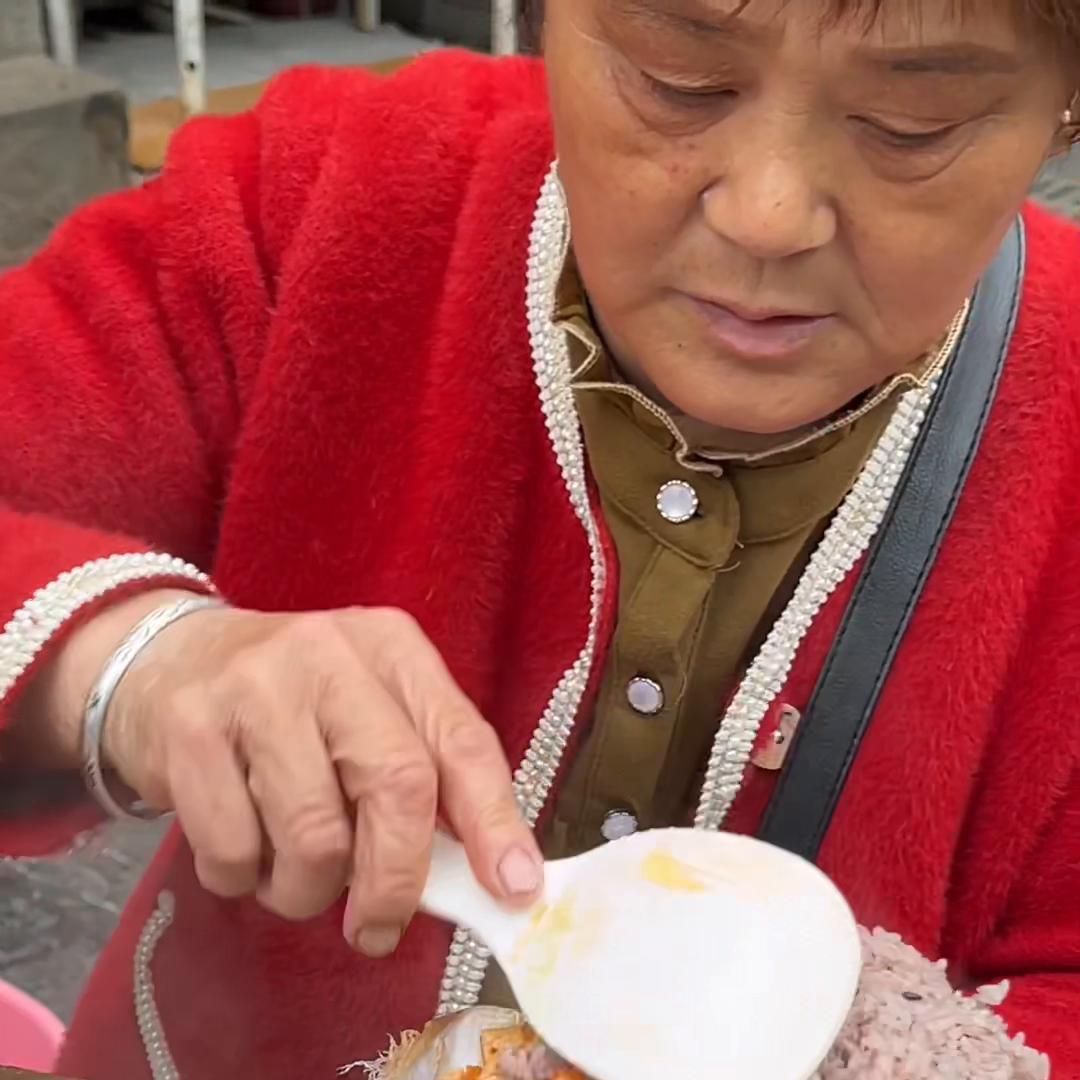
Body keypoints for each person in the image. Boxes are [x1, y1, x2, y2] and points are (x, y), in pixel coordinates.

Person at [1, 0, 1079, 1076]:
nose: (768, 214)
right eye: (676, 80)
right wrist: (134, 666)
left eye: (913, 125)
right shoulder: (326, 198)